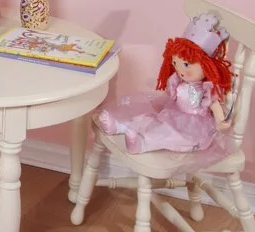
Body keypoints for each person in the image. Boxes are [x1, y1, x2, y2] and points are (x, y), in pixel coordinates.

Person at [95, 12, 235, 155]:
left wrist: (220, 121)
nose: (180, 70)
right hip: (172, 112)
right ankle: (119, 125)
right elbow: (168, 97)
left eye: (186, 65)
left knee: (170, 136)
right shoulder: (176, 81)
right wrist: (157, 106)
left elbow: (216, 108)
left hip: (194, 127)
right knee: (149, 118)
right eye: (175, 62)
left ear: (207, 66)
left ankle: (142, 143)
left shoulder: (206, 89)